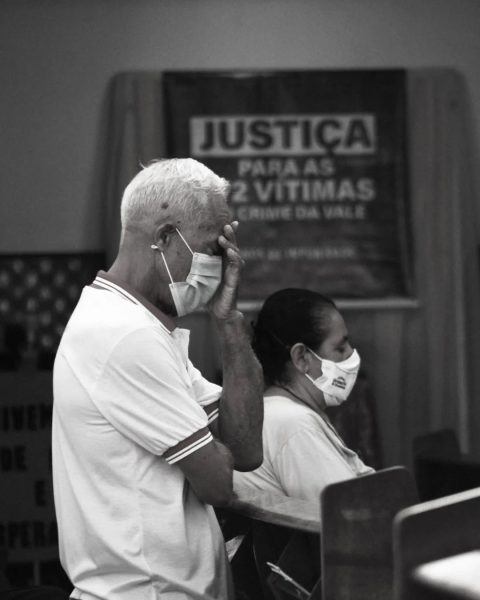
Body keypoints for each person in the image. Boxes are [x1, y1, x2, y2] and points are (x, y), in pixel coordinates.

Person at [52, 159, 264, 600]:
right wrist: (212, 447)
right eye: (212, 248)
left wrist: (228, 324)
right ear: (165, 238)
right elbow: (219, 484)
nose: (222, 263)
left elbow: (244, 451)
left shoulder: (142, 327)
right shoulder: (124, 334)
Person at [234, 288, 374, 502]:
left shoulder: (277, 411)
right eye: (340, 348)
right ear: (301, 357)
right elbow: (350, 511)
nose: (351, 355)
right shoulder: (294, 424)